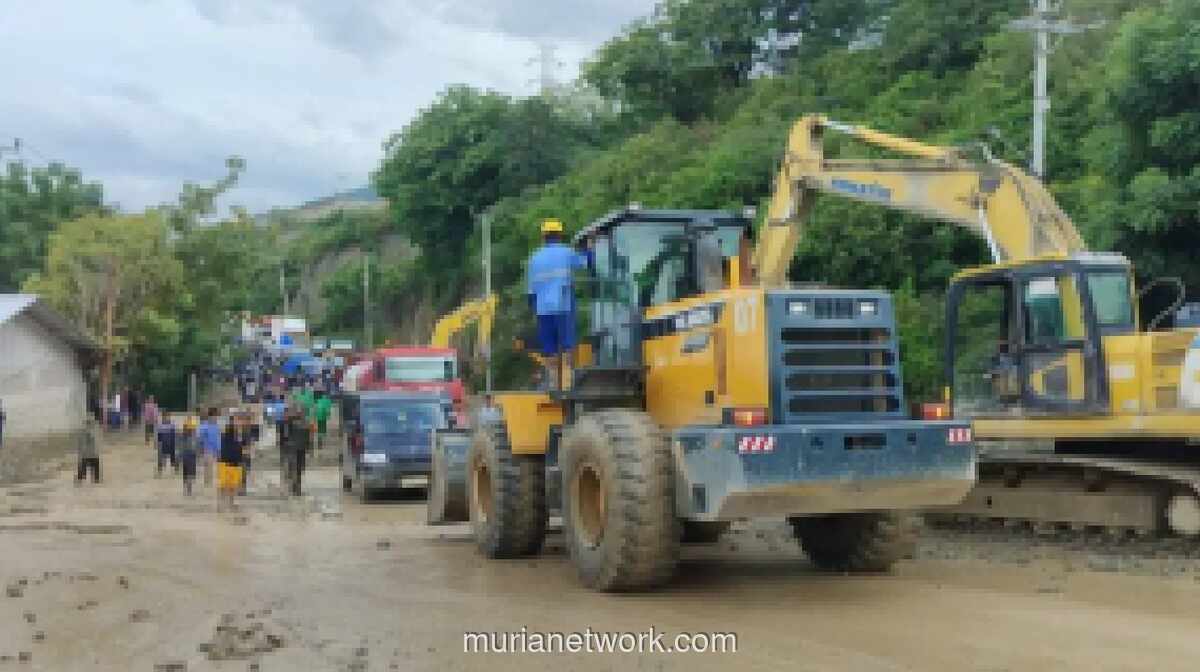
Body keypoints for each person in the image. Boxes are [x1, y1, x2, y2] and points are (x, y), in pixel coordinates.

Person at [526, 218, 590, 390]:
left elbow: (531, 292)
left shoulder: (534, 259)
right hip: (563, 306)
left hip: (543, 310)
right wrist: (587, 248)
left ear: (543, 236)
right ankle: (569, 383)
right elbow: (586, 263)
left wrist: (534, 310)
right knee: (568, 345)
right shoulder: (566, 253)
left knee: (549, 349)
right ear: (560, 235)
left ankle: (554, 384)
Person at [280, 405, 312, 496]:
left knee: (296, 467)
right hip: (296, 448)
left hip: (295, 448)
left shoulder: (290, 423)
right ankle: (296, 484)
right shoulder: (291, 423)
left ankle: (296, 484)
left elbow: (284, 437)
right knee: (297, 468)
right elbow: (284, 437)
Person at [217, 415, 245, 511]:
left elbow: (242, 448)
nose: (237, 424)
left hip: (235, 463)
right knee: (224, 485)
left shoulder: (239, 435)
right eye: (235, 422)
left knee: (233, 486)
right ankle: (221, 504)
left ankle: (230, 503)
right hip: (226, 462)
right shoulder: (227, 433)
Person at [198, 408, 222, 487]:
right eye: (214, 416)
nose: (215, 418)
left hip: (213, 450)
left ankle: (208, 483)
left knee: (210, 468)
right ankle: (207, 483)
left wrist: (219, 450)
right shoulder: (205, 426)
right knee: (208, 468)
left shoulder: (216, 426)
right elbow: (200, 438)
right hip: (207, 450)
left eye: (216, 416)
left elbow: (218, 439)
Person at [75, 415, 101, 484]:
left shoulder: (82, 432)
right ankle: (95, 479)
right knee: (95, 466)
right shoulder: (94, 432)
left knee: (81, 466)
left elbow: (80, 445)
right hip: (92, 455)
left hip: (86, 455)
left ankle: (81, 479)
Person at [178, 415, 198, 496]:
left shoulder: (192, 437)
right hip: (188, 457)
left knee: (188, 474)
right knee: (187, 473)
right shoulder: (188, 437)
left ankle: (187, 487)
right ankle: (187, 487)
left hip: (189, 457)